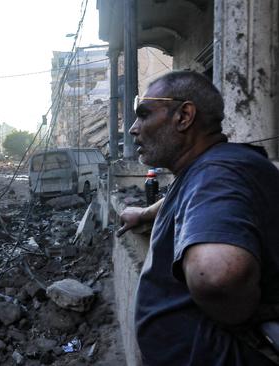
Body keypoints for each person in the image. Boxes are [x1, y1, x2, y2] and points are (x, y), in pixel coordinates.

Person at [117, 70, 279, 365]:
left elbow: (215, 276)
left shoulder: (215, 174)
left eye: (144, 114)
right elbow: (188, 198)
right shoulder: (211, 168)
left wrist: (237, 322)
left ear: (184, 116)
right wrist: (145, 213)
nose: (133, 128)